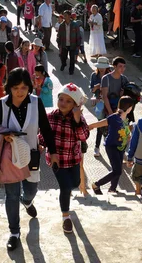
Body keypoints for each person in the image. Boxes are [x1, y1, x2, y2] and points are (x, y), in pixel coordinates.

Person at [0, 68, 58, 251]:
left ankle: (26, 202)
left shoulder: (36, 103)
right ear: (9, 87)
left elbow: (46, 128)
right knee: (11, 195)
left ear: (29, 88)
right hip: (9, 159)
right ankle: (14, 233)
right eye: (16, 88)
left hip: (31, 156)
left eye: (24, 88)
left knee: (31, 190)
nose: (20, 92)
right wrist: (4, 135)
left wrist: (54, 151)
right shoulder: (0, 105)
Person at [41, 83, 89, 234]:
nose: (63, 103)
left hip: (73, 158)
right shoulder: (50, 117)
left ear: (75, 105)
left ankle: (66, 196)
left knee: (75, 183)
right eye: (61, 99)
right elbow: (43, 135)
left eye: (68, 101)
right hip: (57, 160)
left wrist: (76, 119)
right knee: (65, 187)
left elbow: (84, 136)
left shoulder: (78, 119)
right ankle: (66, 217)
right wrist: (40, 144)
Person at [89, 96, 135, 194]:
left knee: (118, 169)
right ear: (129, 108)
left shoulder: (126, 118)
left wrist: (128, 135)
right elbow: (102, 123)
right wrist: (91, 126)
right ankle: (96, 184)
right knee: (117, 171)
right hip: (112, 146)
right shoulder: (114, 117)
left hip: (121, 146)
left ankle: (112, 189)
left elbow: (124, 130)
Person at [90, 57, 111, 157]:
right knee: (100, 125)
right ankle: (96, 147)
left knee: (109, 124)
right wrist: (97, 87)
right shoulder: (94, 75)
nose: (102, 69)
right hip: (99, 103)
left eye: (104, 67)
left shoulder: (111, 76)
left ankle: (106, 139)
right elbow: (92, 90)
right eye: (100, 67)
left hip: (110, 102)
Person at [57, 10, 82, 75]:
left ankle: (71, 70)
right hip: (64, 44)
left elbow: (78, 35)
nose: (64, 17)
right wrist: (59, 44)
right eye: (63, 15)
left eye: (65, 15)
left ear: (69, 16)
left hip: (73, 45)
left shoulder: (75, 25)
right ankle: (63, 64)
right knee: (63, 57)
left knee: (72, 59)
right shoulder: (61, 25)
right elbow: (59, 35)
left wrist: (78, 45)